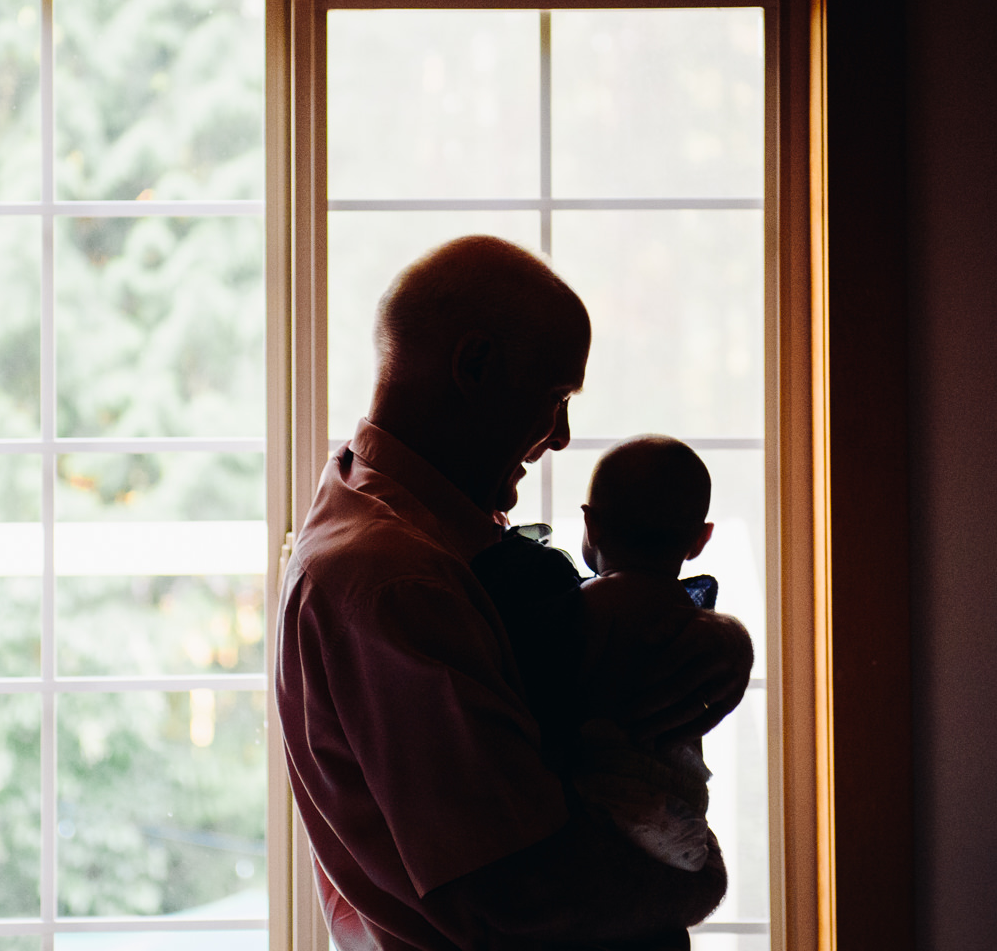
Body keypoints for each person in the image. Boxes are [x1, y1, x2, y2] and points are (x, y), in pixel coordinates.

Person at [275, 236, 753, 951]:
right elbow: (519, 897)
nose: (559, 438)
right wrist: (697, 880)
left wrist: (719, 646)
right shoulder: (399, 581)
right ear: (475, 366)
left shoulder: (391, 515)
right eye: (555, 397)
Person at [476, 436, 727, 878]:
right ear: (700, 540)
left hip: (604, 796)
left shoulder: (587, 604)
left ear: (590, 526)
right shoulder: (693, 614)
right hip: (681, 803)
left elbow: (537, 669)